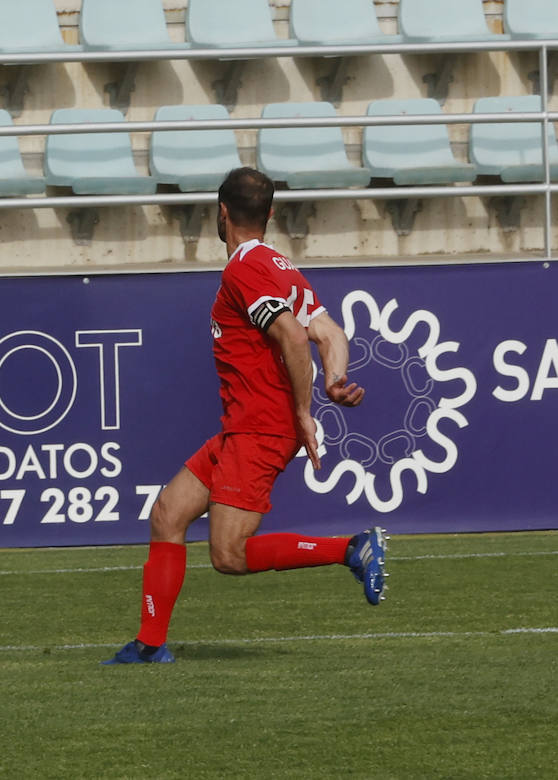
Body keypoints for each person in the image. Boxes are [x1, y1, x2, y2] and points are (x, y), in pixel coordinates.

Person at [104, 167, 386, 665]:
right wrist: (334, 379)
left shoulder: (244, 270)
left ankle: (351, 548)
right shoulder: (281, 266)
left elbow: (294, 336)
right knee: (168, 512)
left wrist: (304, 410)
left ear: (222, 212)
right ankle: (149, 645)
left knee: (229, 554)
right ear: (271, 214)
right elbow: (330, 333)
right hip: (242, 426)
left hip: (261, 426)